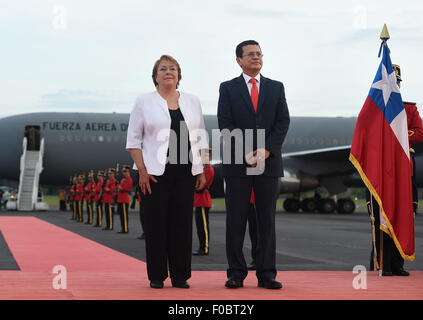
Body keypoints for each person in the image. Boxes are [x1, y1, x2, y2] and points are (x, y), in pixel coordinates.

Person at [126, 54, 208, 289]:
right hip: (154, 174)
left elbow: (200, 136)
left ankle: (180, 275)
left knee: (182, 225)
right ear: (155, 76)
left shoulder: (192, 101)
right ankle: (157, 275)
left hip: (186, 172)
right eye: (162, 69)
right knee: (156, 225)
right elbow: (133, 140)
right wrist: (141, 171)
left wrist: (201, 169)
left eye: (172, 68)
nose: (168, 72)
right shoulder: (144, 101)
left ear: (179, 75)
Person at [217, 40, 290, 289]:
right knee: (235, 220)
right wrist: (247, 151)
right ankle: (236, 273)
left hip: (268, 164)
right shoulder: (227, 88)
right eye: (250, 54)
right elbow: (225, 123)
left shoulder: (276, 87)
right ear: (239, 60)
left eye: (259, 54)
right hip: (238, 163)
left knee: (266, 221)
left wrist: (267, 150)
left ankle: (266, 273)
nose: (256, 57)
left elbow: (283, 122)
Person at [193, 149, 215, 256]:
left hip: (203, 200)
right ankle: (202, 246)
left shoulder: (207, 169)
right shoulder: (203, 167)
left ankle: (204, 247)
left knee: (203, 227)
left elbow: (201, 185)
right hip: (199, 200)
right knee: (200, 226)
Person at [117, 165, 133, 233]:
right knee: (121, 215)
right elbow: (120, 188)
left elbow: (124, 189)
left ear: (128, 172)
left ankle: (125, 229)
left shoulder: (129, 180)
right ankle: (123, 228)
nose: (123, 173)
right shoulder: (123, 180)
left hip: (124, 199)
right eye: (123, 171)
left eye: (125, 171)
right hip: (120, 199)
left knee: (124, 215)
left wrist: (117, 185)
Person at [247, 188, 258, 270]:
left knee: (256, 233)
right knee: (253, 232)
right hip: (249, 201)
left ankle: (257, 260)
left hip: (255, 201)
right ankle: (256, 259)